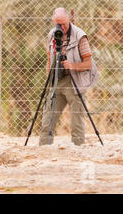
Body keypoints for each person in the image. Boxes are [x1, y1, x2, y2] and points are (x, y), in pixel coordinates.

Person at [39, 8, 99, 146]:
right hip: (57, 80)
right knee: (48, 118)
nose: (61, 27)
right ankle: (44, 149)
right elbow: (49, 59)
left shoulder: (79, 36)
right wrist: (49, 82)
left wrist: (71, 65)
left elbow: (88, 64)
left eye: (63, 24)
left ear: (69, 20)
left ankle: (78, 149)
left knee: (77, 120)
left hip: (74, 81)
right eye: (57, 24)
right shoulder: (52, 35)